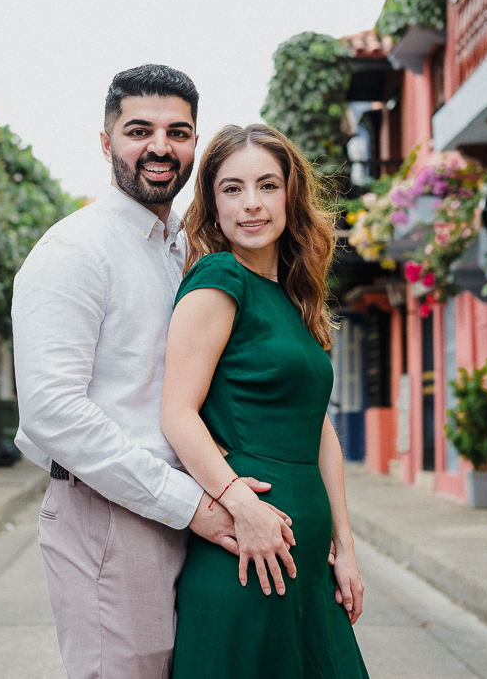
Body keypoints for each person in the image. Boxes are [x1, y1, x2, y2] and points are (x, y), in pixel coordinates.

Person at [12, 66, 293, 679]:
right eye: (140, 129)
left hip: (189, 509)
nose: (161, 147)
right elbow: (51, 411)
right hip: (113, 516)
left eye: (179, 131)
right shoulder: (74, 251)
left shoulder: (182, 251)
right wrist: (190, 503)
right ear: (106, 139)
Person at [162, 123, 370, 679]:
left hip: (305, 547)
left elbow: (318, 429)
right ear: (211, 202)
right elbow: (177, 413)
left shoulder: (292, 294)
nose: (251, 204)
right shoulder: (219, 277)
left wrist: (344, 545)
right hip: (249, 546)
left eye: (266, 186)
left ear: (290, 194)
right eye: (231, 189)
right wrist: (240, 504)